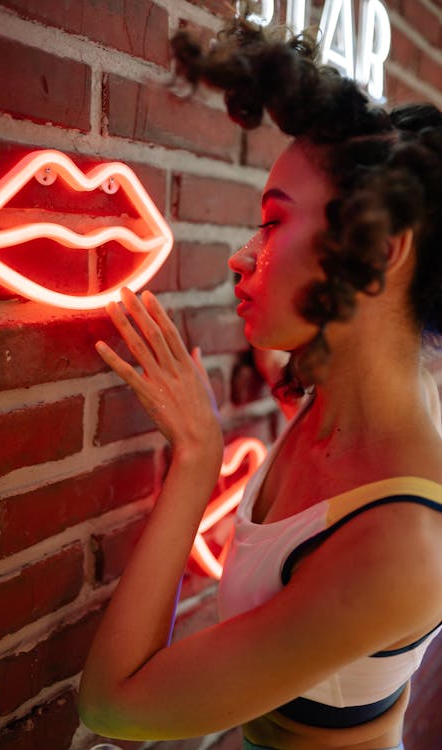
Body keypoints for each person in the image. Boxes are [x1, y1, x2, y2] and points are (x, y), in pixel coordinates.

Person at [78, 12, 442, 750]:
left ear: (380, 252)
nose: (242, 257)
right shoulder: (337, 389)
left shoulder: (398, 545)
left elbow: (115, 707)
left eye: (273, 224)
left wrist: (196, 461)